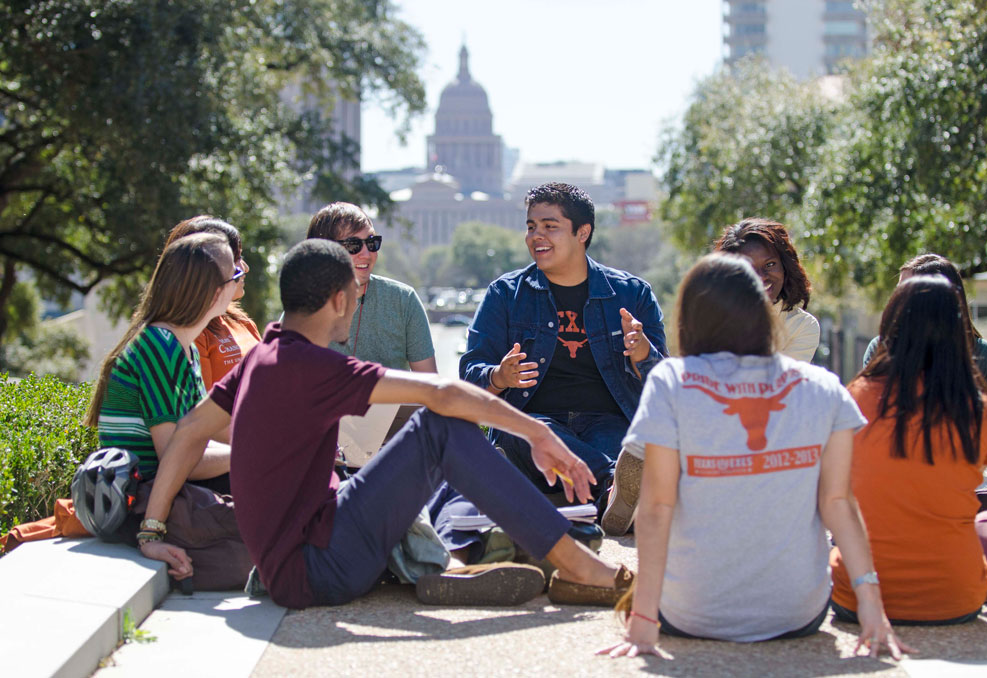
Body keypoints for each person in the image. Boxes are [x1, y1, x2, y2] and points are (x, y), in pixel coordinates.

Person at [133, 239, 633, 609]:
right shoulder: (308, 367)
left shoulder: (265, 356)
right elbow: (440, 391)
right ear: (337, 300)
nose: (356, 304)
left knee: (416, 450)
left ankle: (448, 564)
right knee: (440, 430)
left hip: (307, 552)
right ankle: (579, 567)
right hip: (319, 570)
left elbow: (191, 431)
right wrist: (538, 432)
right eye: (355, 293)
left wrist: (151, 530)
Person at [600, 253, 910, 658]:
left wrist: (643, 621)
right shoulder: (824, 387)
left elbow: (657, 508)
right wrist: (872, 606)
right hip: (798, 615)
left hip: (690, 614)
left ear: (690, 318)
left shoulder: (672, 382)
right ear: (763, 314)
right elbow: (838, 503)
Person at [459, 182, 667, 515]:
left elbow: (664, 387)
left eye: (549, 227)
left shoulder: (632, 294)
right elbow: (470, 376)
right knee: (525, 432)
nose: (535, 236)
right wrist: (499, 376)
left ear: (582, 232)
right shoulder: (504, 294)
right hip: (535, 426)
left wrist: (644, 355)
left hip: (608, 422)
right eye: (531, 227)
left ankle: (614, 493)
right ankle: (614, 487)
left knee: (627, 448)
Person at [831, 275, 987, 624]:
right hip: (957, 598)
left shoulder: (858, 395)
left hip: (858, 594)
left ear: (891, 325)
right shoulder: (978, 406)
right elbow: (982, 477)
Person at [85, 233, 239, 484]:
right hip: (146, 499)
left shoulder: (179, 346)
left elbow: (195, 443)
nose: (241, 279)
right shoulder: (161, 348)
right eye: (236, 276)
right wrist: (247, 455)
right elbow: (176, 460)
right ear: (214, 294)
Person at [862, 254, 987, 439]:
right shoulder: (880, 350)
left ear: (939, 302)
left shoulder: (980, 355)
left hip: (960, 465)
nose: (896, 301)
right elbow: (868, 420)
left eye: (906, 294)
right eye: (898, 292)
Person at [306, 202, 436, 372]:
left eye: (372, 242)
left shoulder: (404, 300)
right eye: (353, 245)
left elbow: (429, 384)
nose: (367, 254)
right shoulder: (303, 305)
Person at [163, 216, 261, 391]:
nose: (245, 267)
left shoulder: (243, 323)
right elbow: (199, 413)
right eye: (236, 258)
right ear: (206, 268)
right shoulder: (188, 334)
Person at [714, 218, 820, 362]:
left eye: (770, 264)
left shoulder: (801, 326)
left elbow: (779, 382)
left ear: (785, 267)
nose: (761, 277)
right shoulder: (711, 321)